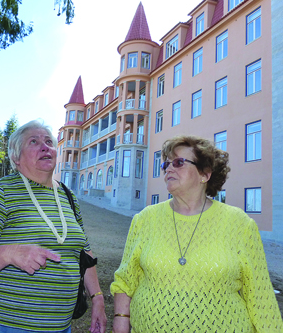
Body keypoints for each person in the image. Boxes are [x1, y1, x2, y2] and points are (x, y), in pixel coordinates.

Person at [111, 135, 283, 332]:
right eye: (165, 164)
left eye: (178, 162)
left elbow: (260, 295)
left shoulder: (240, 224)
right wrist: (121, 319)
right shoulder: (144, 219)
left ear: (205, 174)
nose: (169, 168)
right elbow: (125, 280)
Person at [0, 120, 107, 333]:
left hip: (59, 326)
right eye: (34, 142)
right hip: (0, 324)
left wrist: (98, 298)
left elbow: (84, 252)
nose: (45, 147)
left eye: (48, 141)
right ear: (16, 157)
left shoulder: (68, 196)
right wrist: (9, 253)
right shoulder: (1, 192)